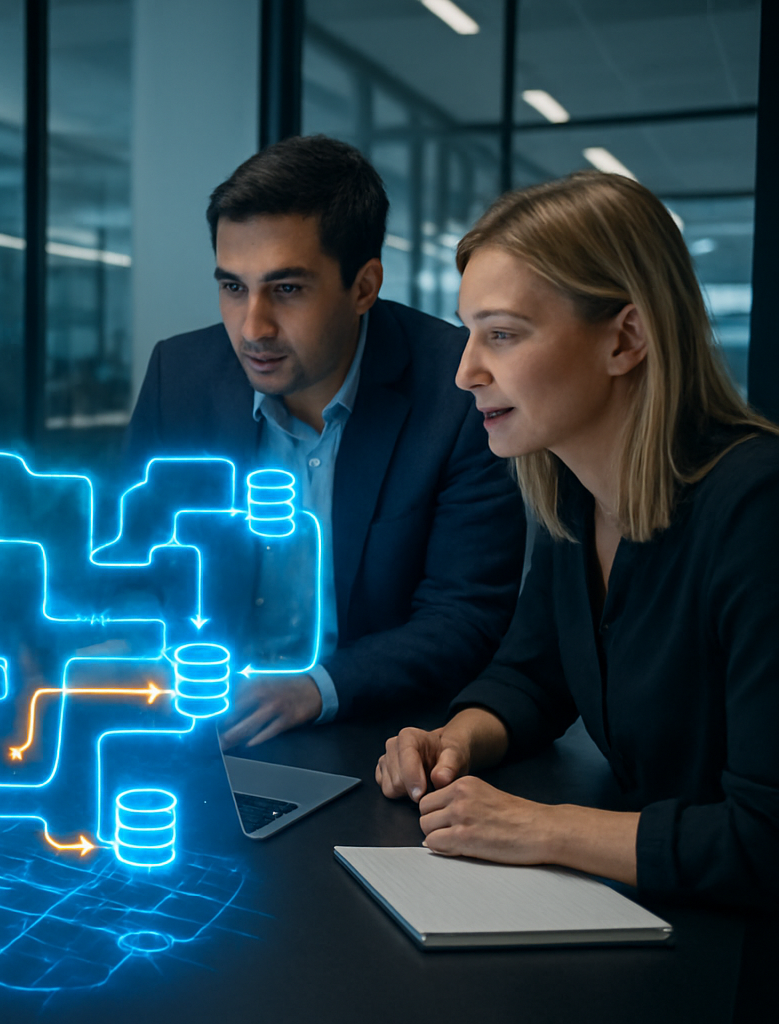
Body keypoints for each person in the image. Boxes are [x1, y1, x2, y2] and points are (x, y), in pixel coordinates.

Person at [375, 170, 779, 917]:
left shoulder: (757, 510)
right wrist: (458, 740)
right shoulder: (570, 486)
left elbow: (764, 838)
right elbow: (534, 676)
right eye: (468, 332)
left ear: (626, 338)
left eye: (502, 334)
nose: (465, 372)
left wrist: (542, 828)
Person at [124, 135, 526, 747]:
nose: (252, 327)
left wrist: (317, 689)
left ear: (364, 287)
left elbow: (466, 616)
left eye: (287, 289)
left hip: (373, 731)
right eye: (233, 287)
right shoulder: (178, 376)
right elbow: (136, 563)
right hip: (197, 719)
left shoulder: (458, 389)